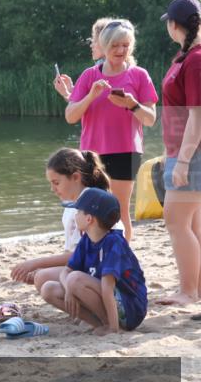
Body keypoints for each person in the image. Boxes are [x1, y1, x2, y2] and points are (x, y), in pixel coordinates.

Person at [64, 19, 158, 242]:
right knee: (90, 211)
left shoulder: (139, 75)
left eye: (125, 45)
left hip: (125, 151)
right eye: (115, 45)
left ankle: (122, 259)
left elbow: (151, 119)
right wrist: (91, 96)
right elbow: (70, 116)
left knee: (119, 209)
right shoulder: (89, 76)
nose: (120, 50)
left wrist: (132, 104)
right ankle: (92, 257)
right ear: (104, 46)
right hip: (91, 154)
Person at [40, 188, 148, 334]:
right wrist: (68, 290)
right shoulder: (87, 239)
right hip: (107, 299)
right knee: (49, 289)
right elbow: (66, 270)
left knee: (75, 279)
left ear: (89, 219)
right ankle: (97, 323)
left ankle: (111, 326)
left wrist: (113, 327)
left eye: (78, 212)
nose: (75, 215)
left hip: (129, 309)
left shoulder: (113, 242)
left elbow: (107, 287)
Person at [9, 148, 111, 293]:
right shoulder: (71, 205)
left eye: (56, 183)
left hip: (100, 271)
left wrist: (35, 264)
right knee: (42, 277)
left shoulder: (91, 207)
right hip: (84, 267)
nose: (52, 189)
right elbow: (71, 252)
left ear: (76, 177)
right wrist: (41, 269)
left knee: (42, 277)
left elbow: (81, 255)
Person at [155, 0, 201, 306]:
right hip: (180, 151)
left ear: (174, 24)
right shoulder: (184, 57)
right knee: (192, 223)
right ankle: (194, 289)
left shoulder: (197, 59)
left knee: (175, 221)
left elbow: (198, 114)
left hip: (192, 154)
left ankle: (187, 292)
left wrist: (183, 160)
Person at [53, 17, 114, 100]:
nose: (91, 45)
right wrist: (72, 89)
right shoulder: (113, 66)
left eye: (94, 40)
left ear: (105, 43)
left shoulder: (104, 69)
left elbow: (88, 106)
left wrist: (65, 93)